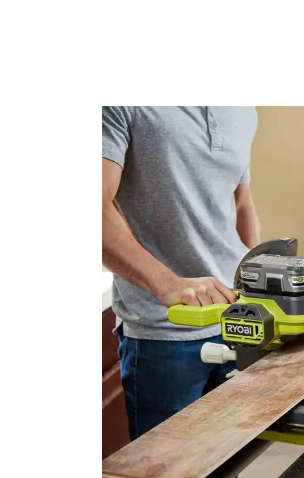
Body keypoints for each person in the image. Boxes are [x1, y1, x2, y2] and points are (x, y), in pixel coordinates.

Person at [102, 106, 261, 440]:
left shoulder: (242, 109)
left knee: (227, 459)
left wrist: (258, 281)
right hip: (165, 334)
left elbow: (241, 202)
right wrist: (168, 284)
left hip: (237, 322)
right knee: (166, 465)